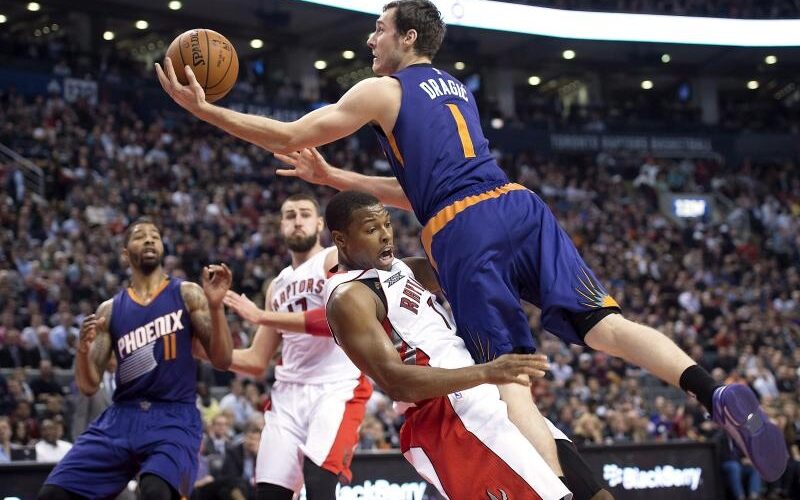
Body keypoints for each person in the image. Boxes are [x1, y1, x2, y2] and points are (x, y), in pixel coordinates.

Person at [155, 0, 787, 481]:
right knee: (606, 324)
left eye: (379, 28)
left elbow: (292, 135)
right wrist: (336, 177)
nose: (371, 38)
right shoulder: (455, 88)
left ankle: (554, 492)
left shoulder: (383, 88)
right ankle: (710, 388)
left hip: (464, 231)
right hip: (517, 203)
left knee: (510, 379)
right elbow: (426, 190)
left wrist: (205, 111)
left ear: (407, 37)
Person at [317, 190, 568, 498]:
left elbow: (464, 267)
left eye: (387, 224)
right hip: (447, 415)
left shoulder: (402, 268)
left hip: (482, 396)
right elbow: (397, 383)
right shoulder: (348, 297)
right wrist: (487, 372)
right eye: (371, 229)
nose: (385, 235)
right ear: (341, 240)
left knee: (579, 485)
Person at [39, 217, 235, 500]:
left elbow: (223, 360)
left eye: (155, 236)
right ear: (125, 252)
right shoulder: (109, 311)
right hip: (122, 416)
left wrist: (216, 308)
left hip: (173, 416)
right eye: (140, 236)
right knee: (53, 494)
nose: (149, 239)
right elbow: (88, 386)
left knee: (155, 489)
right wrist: (82, 351)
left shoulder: (187, 293)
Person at [221, 194, 371, 500]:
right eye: (290, 215)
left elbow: (340, 319)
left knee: (319, 485)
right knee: (270, 494)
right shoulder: (276, 285)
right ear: (281, 226)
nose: (297, 220)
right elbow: (256, 360)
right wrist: (205, 351)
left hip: (335, 387)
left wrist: (261, 316)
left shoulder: (332, 258)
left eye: (304, 214)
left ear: (319, 224)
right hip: (288, 395)